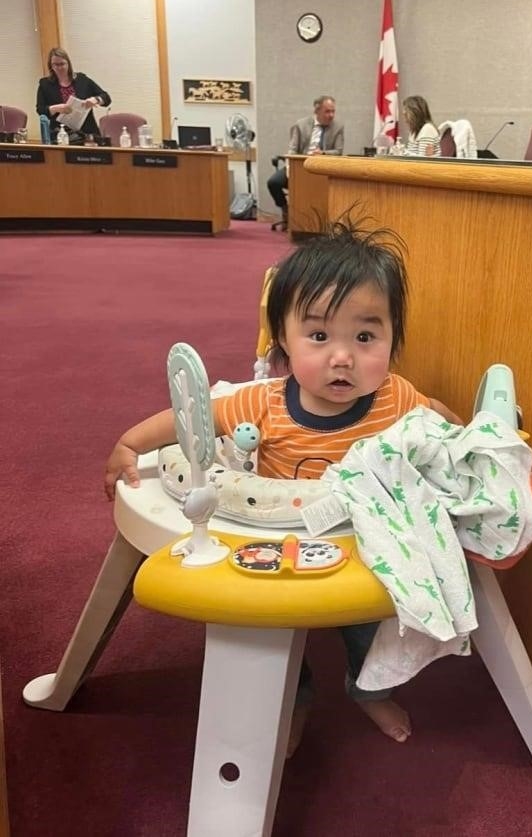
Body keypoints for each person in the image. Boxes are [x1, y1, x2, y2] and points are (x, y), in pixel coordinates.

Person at [104, 217, 461, 756]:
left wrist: (467, 445)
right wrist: (130, 444)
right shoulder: (262, 401)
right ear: (284, 344)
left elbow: (437, 422)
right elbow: (193, 420)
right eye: (319, 336)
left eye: (365, 336)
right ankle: (294, 699)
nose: (342, 357)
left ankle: (369, 690)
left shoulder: (395, 398)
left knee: (374, 624)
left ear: (392, 337)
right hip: (273, 539)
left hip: (359, 542)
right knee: (265, 629)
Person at [267, 95, 344, 230]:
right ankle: (286, 211)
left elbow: (338, 151)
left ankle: (321, 222)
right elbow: (292, 150)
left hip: (323, 169)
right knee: (273, 182)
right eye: (327, 111)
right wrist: (290, 170)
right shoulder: (300, 125)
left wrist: (323, 153)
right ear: (317, 111)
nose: (331, 115)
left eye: (333, 111)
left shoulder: (338, 127)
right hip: (299, 167)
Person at [36, 47, 111, 142]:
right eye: (55, 64)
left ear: (68, 64)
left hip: (87, 133)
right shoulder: (45, 84)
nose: (59, 67)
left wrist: (96, 100)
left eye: (62, 64)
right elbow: (40, 110)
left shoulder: (82, 80)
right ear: (51, 66)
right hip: (59, 134)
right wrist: (55, 108)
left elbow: (106, 98)